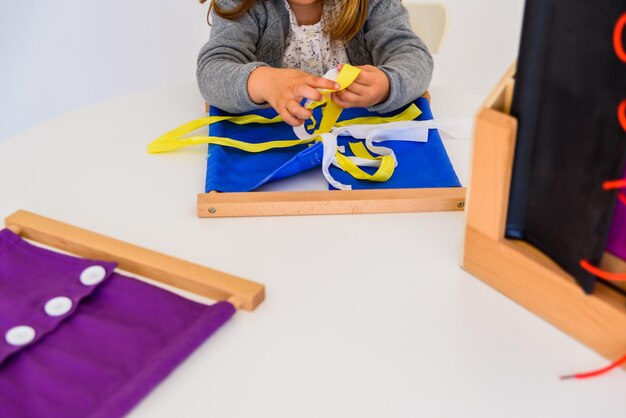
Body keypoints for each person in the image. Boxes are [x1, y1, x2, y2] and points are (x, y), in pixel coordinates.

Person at [197, 0, 433, 126]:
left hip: (355, 140)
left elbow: (412, 55)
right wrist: (262, 81)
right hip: (272, 146)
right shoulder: (240, 3)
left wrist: (387, 84)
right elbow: (212, 70)